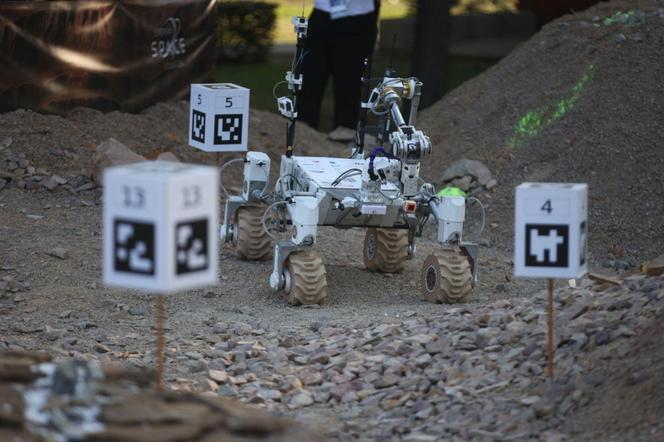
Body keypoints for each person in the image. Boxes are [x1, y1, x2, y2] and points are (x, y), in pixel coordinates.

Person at [298, 0, 380, 130]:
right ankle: (301, 140)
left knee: (349, 89)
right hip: (322, 16)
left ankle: (343, 139)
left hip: (358, 19)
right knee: (308, 84)